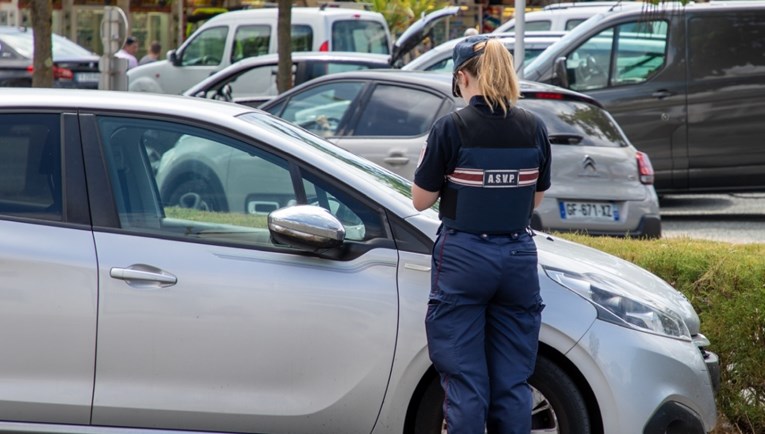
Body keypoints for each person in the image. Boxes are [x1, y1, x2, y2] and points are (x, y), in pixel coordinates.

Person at [412, 34, 551, 434]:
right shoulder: (534, 127)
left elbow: (421, 200)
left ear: (462, 77)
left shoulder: (450, 128)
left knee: (466, 380)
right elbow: (535, 200)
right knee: (512, 381)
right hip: (518, 257)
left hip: (465, 257)